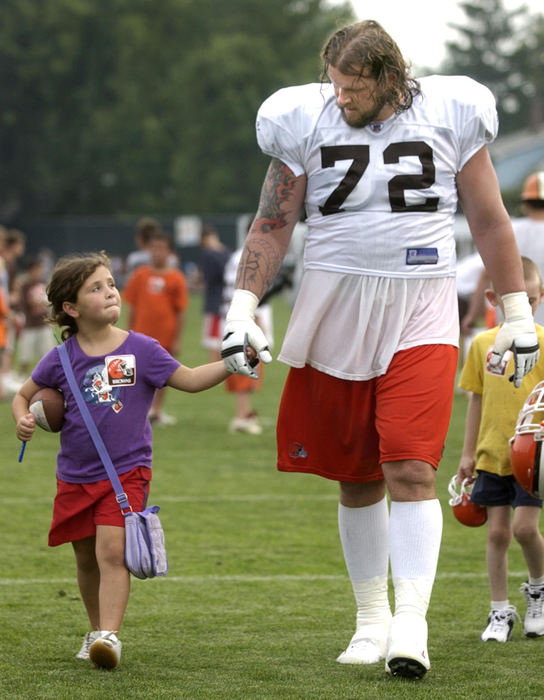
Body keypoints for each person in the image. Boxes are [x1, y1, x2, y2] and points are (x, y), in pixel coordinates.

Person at [220, 20, 539, 679]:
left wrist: (514, 310)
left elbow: (488, 218)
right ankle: (370, 619)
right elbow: (273, 222)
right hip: (333, 308)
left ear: (391, 79)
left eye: (354, 88)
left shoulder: (450, 112)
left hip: (419, 306)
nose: (341, 98)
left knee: (411, 469)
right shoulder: (302, 117)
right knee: (356, 475)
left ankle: (410, 625)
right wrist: (243, 307)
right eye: (334, 85)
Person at [12, 251, 237, 670]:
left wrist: (231, 363)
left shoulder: (142, 349)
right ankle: (94, 630)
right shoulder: (60, 358)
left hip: (126, 474)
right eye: (96, 288)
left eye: (111, 283)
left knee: (112, 552)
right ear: (71, 308)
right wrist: (23, 419)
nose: (110, 292)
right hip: (74, 476)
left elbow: (187, 379)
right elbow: (24, 395)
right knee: (85, 559)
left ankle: (109, 637)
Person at [458, 256, 544, 643]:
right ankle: (499, 611)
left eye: (529, 299)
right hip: (492, 453)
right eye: (515, 300)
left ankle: (539, 594)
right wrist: (467, 453)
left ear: (540, 297)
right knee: (496, 535)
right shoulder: (481, 345)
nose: (523, 307)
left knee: (526, 529)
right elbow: (475, 400)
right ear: (493, 298)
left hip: (533, 458)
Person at [462, 171, 544, 333]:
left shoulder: (509, 230)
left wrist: (473, 316)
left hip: (511, 326)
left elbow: (487, 274)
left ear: (526, 204)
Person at [123, 231, 189, 425]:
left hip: (165, 336)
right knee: (133, 375)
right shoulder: (140, 274)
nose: (157, 252)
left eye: (162, 248)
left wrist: (177, 339)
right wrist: (127, 333)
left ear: (169, 252)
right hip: (140, 334)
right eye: (154, 248)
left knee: (163, 376)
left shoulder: (176, 278)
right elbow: (132, 306)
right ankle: (132, 410)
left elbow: (181, 311)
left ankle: (156, 411)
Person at [222, 246, 274, 435]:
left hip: (235, 320)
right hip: (246, 322)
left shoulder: (237, 257)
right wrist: (259, 323)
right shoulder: (252, 258)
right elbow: (249, 292)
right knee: (248, 367)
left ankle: (244, 413)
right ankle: (242, 416)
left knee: (246, 368)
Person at [17, 257, 56, 375]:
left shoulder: (43, 283)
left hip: (43, 323)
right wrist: (39, 302)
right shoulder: (25, 286)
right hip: (30, 325)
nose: (39, 272)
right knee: (25, 354)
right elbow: (27, 302)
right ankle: (21, 376)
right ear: (30, 270)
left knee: (48, 353)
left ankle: (50, 375)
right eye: (37, 269)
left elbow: (49, 300)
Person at [200, 224, 231, 362]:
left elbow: (208, 278)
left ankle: (213, 371)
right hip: (228, 300)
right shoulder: (228, 252)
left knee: (213, 341)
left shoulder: (208, 254)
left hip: (214, 302)